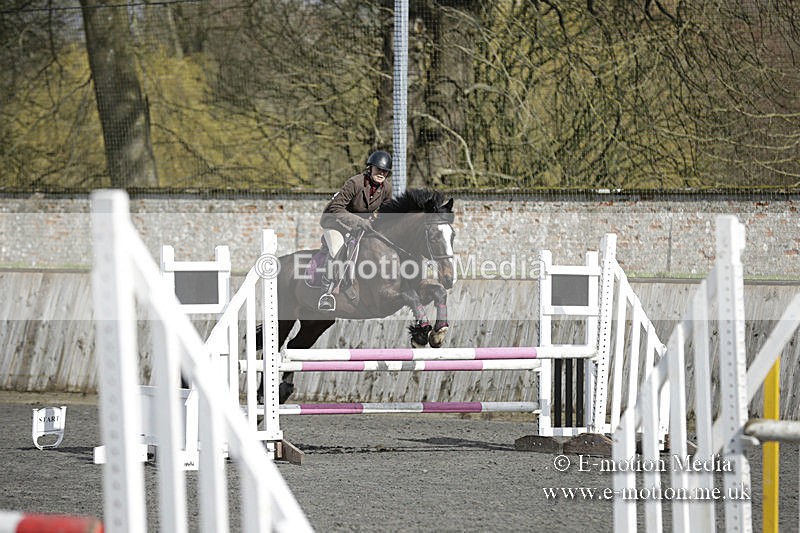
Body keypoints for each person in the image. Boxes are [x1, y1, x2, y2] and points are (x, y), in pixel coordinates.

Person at [317, 150, 393, 311]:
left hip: (360, 225)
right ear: (370, 168)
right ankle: (327, 293)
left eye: (384, 171)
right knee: (338, 250)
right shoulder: (355, 183)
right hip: (334, 222)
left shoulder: (386, 188)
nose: (381, 173)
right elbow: (336, 207)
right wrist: (359, 221)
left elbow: (387, 212)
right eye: (378, 169)